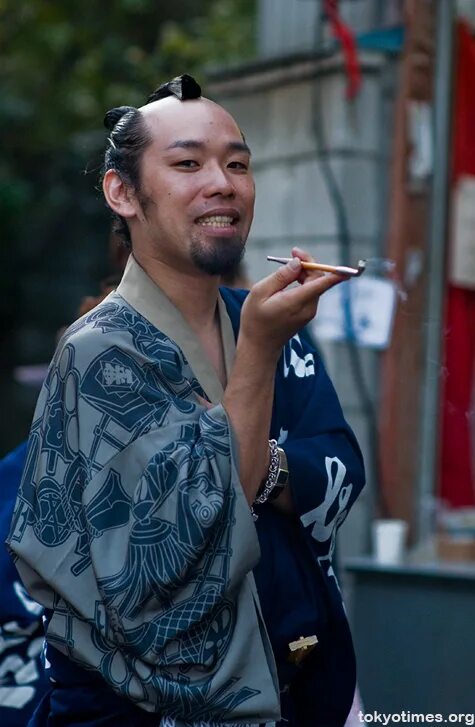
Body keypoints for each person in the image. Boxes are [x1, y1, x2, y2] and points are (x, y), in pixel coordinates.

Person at [7, 75, 365, 727]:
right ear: (123, 192)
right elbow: (176, 548)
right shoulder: (99, 353)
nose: (222, 182)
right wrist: (257, 354)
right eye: (187, 163)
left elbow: (342, 461)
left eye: (237, 163)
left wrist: (269, 457)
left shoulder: (256, 316)